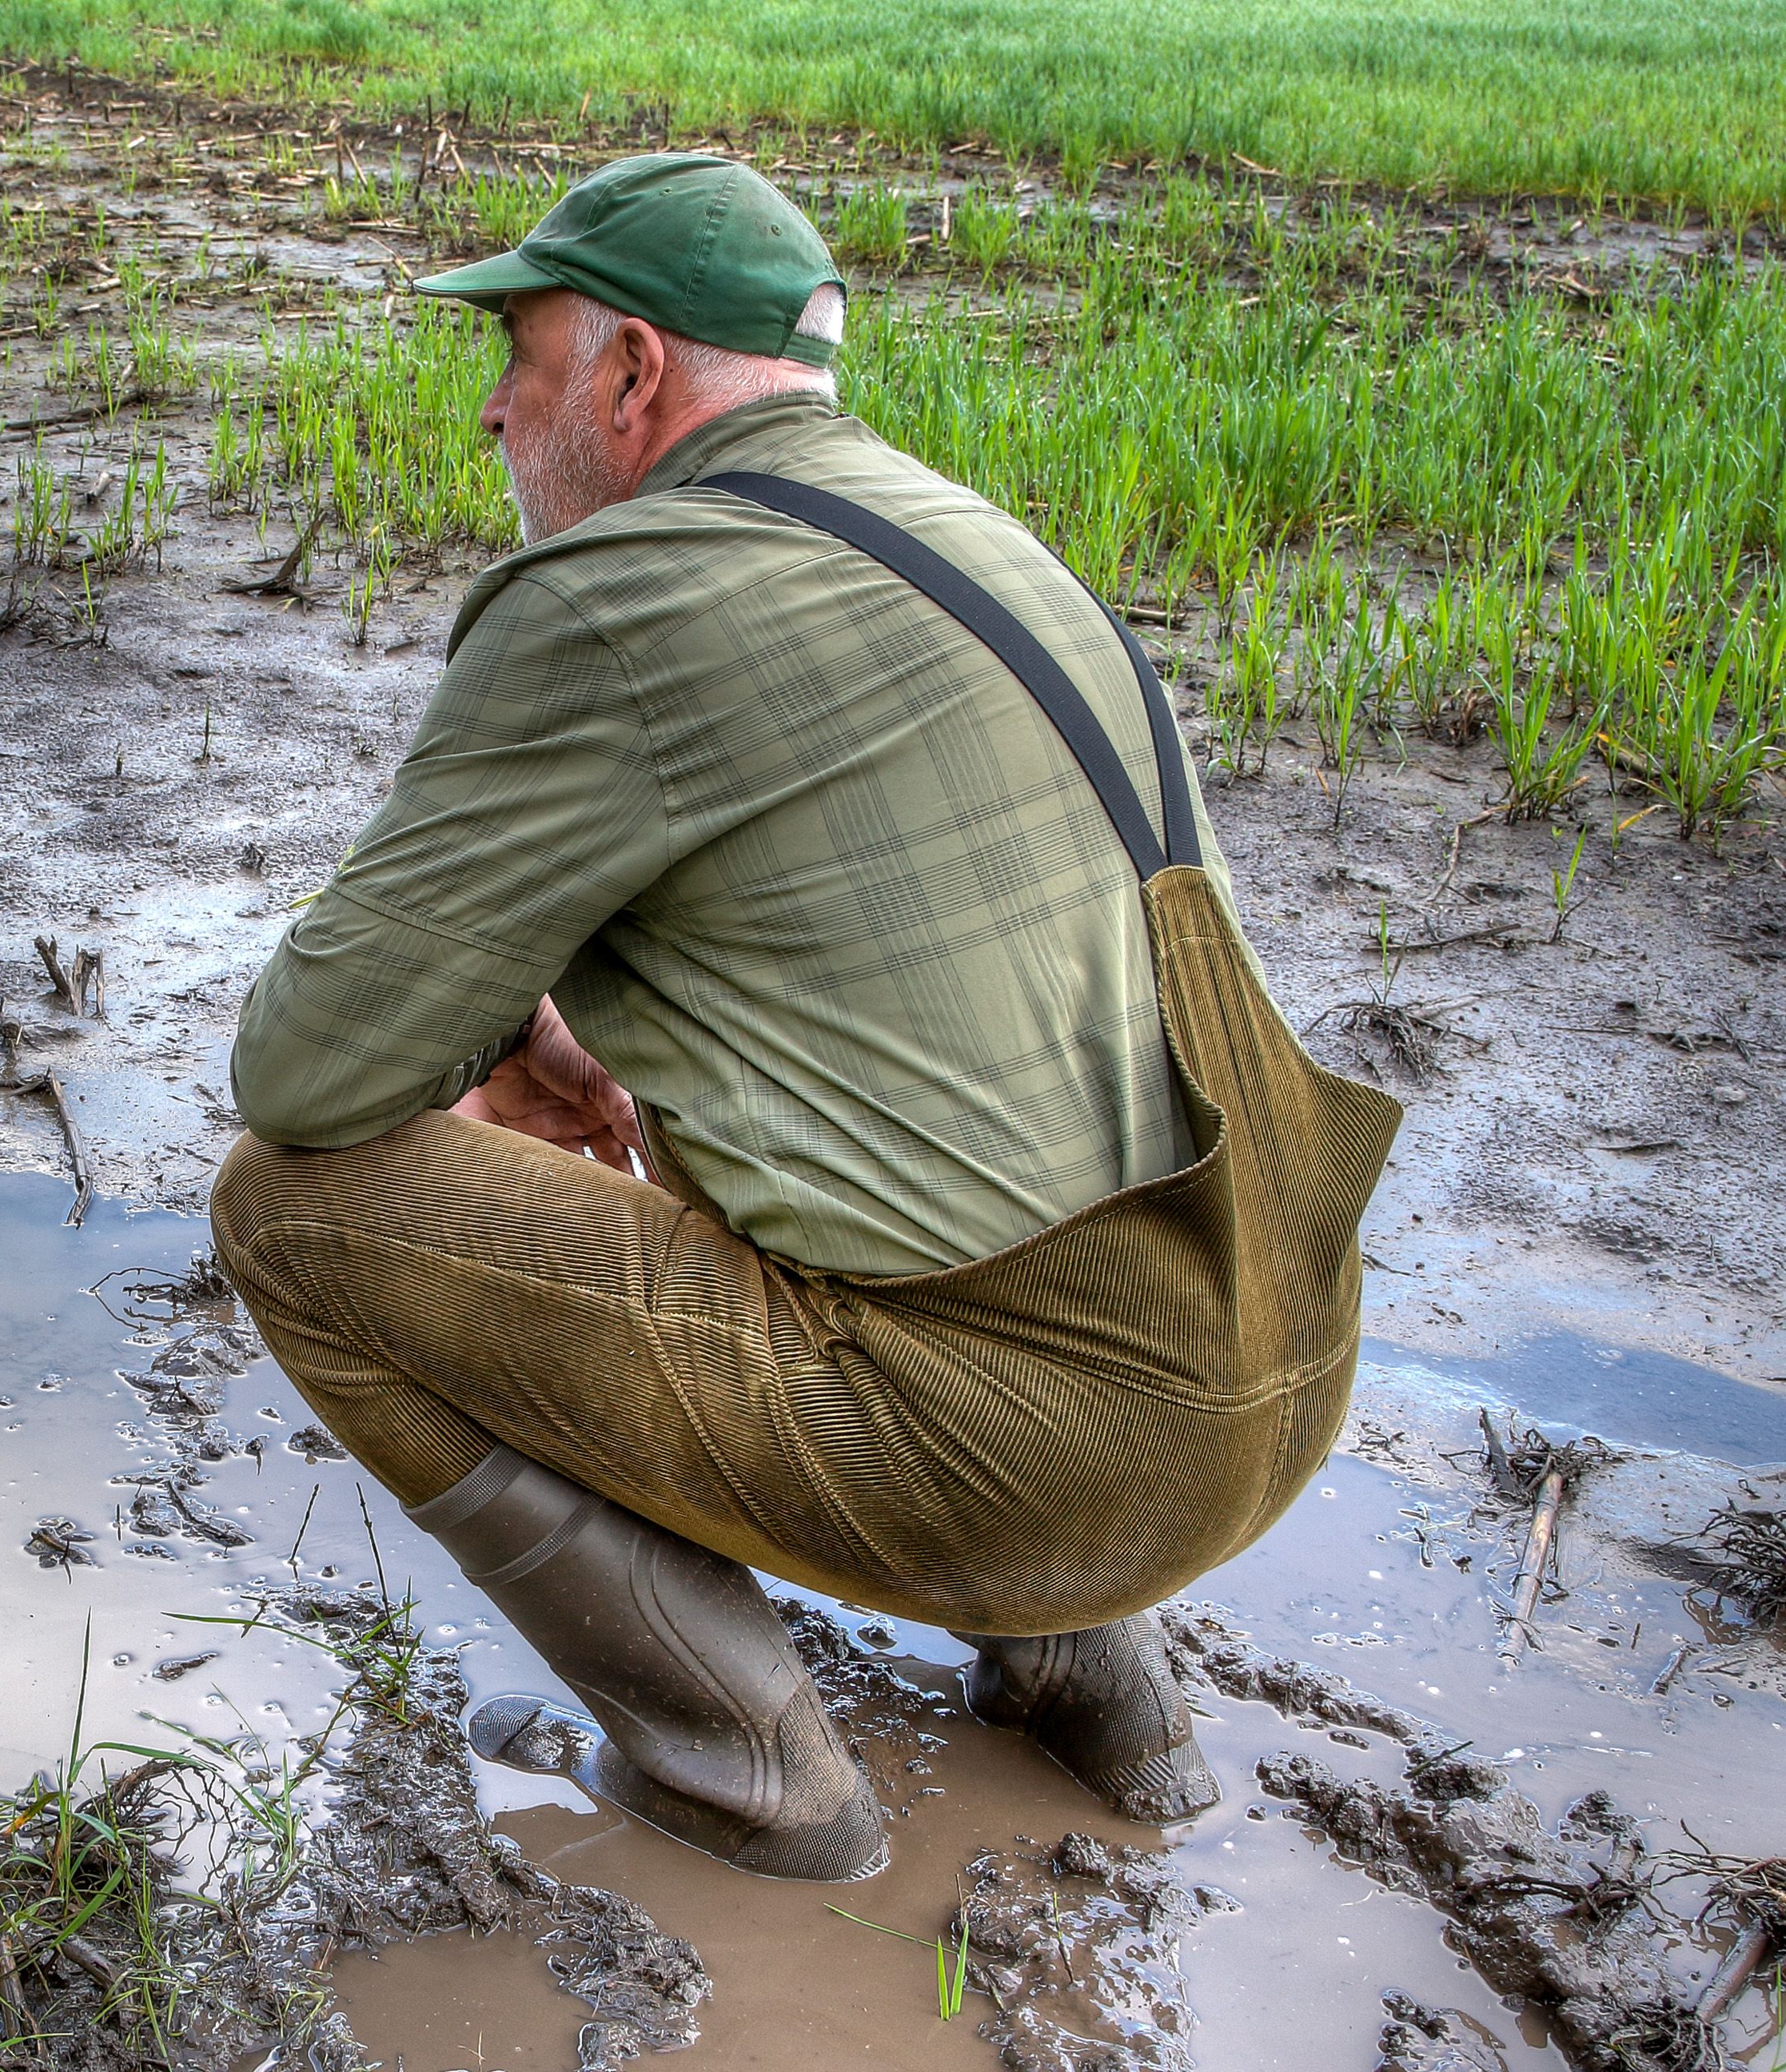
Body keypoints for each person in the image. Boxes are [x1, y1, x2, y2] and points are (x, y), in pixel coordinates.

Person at [209, 154, 1401, 1882]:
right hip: (1277, 1377)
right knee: (824, 1070)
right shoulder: (972, 538)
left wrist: (480, 1029)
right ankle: (1096, 1687)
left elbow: (308, 1068)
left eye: (521, 360)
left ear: (630, 375)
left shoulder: (622, 595)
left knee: (285, 1206)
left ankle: (750, 1782)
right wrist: (572, 1023)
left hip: (1049, 1461)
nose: (490, 409)